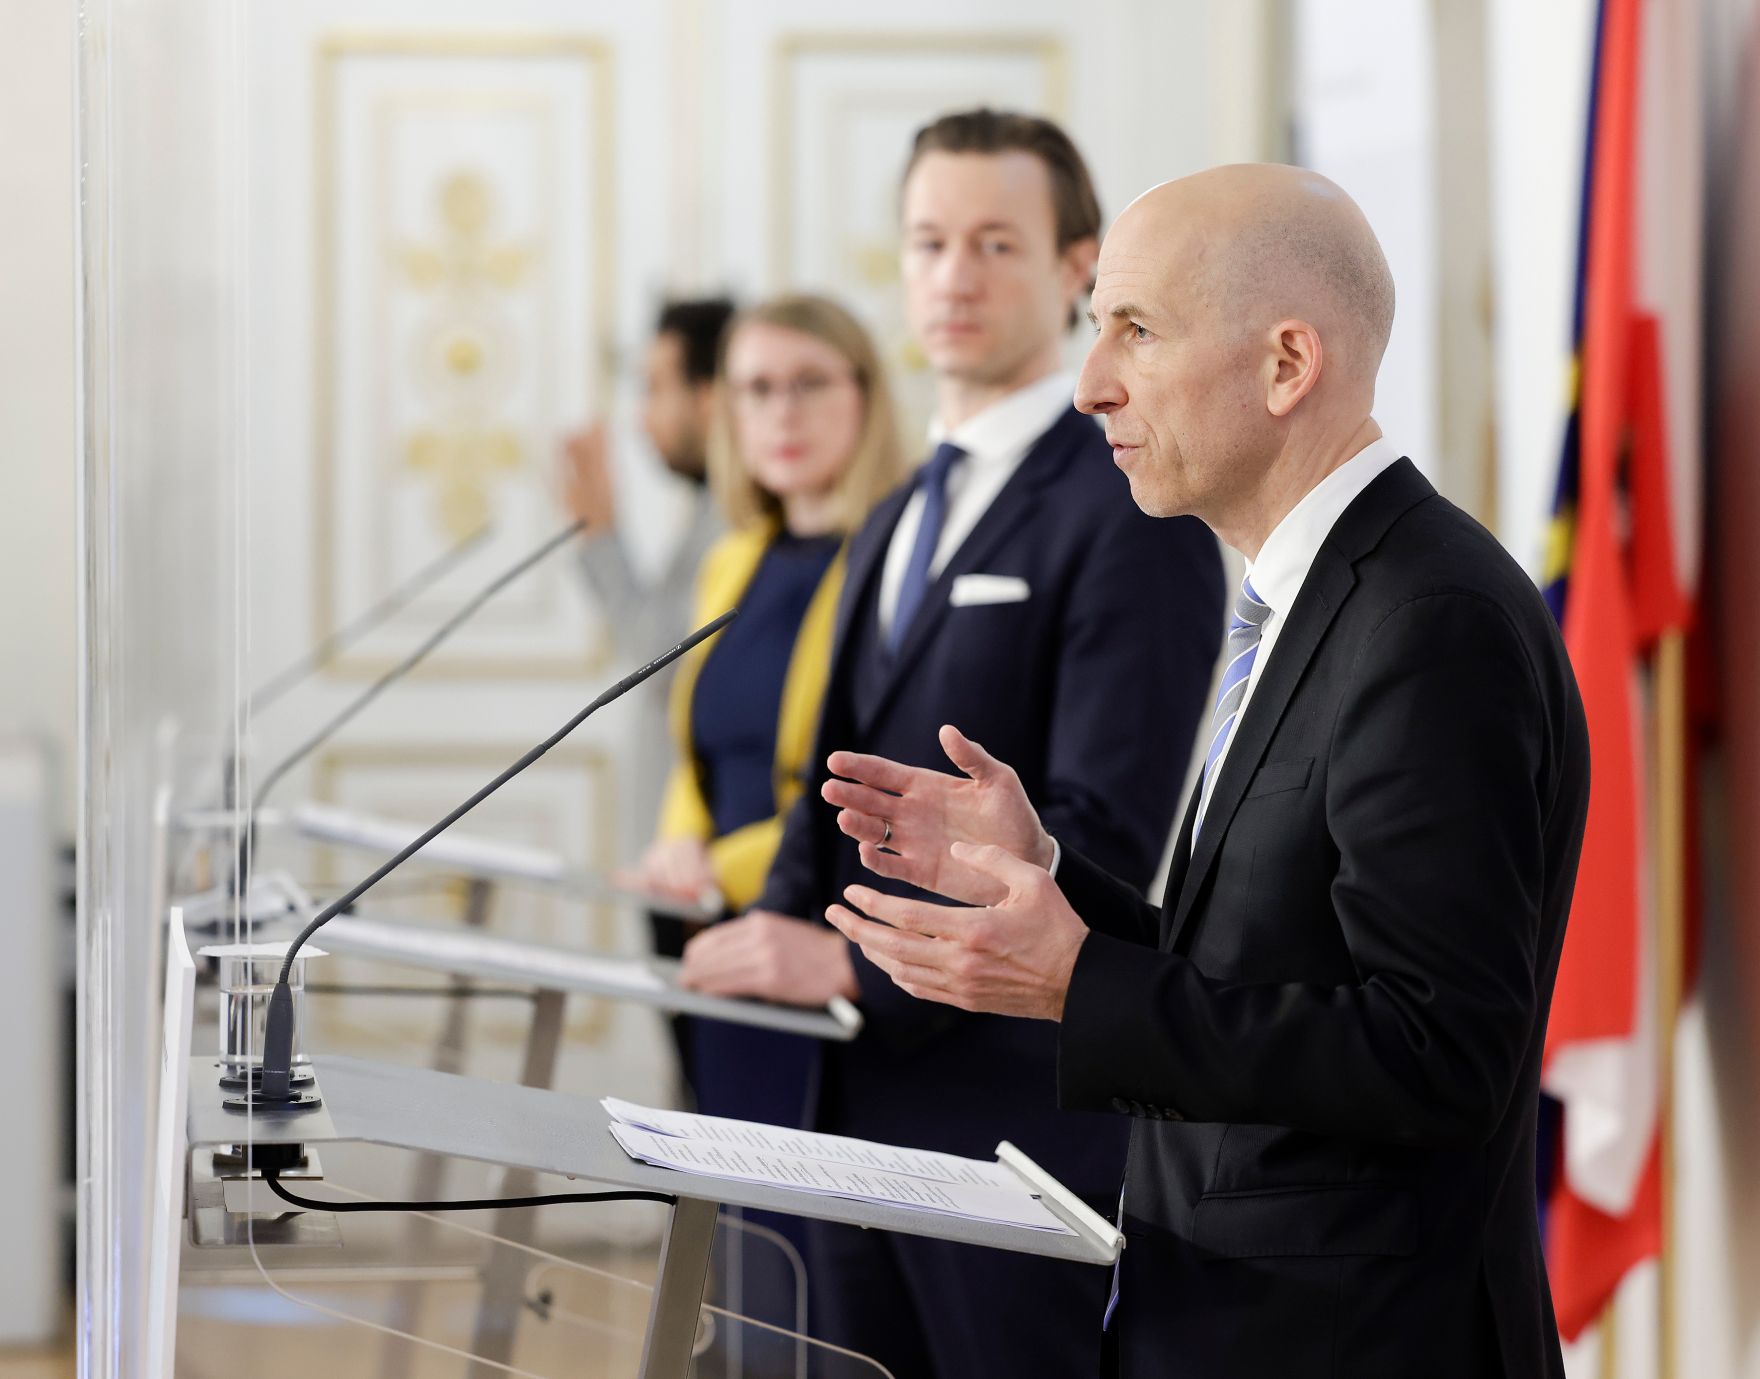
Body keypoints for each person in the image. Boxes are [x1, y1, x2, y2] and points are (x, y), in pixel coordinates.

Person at [822, 165, 1591, 1379]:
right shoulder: (1310, 594)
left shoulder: (1429, 619)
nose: (1090, 386)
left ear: (1286, 366)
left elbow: (1438, 1052)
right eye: (1095, 332)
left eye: (1136, 329)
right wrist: (1051, 877)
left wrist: (1077, 979)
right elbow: (1265, 963)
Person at [676, 110, 1226, 1379]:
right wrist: (769, 934)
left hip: (1003, 1122)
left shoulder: (1125, 502)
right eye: (929, 242)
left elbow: (1093, 837)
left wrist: (843, 959)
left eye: (994, 242)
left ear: (1076, 267)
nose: (953, 276)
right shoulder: (902, 502)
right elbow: (830, 774)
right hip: (840, 1108)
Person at [624, 293, 905, 1369]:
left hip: (803, 932)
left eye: (806, 383)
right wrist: (677, 844)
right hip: (707, 937)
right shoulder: (733, 557)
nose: (778, 412)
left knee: (803, 1256)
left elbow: (839, 779)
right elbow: (694, 737)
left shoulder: (884, 561)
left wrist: (723, 862)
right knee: (731, 1237)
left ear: (864, 398)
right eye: (753, 388)